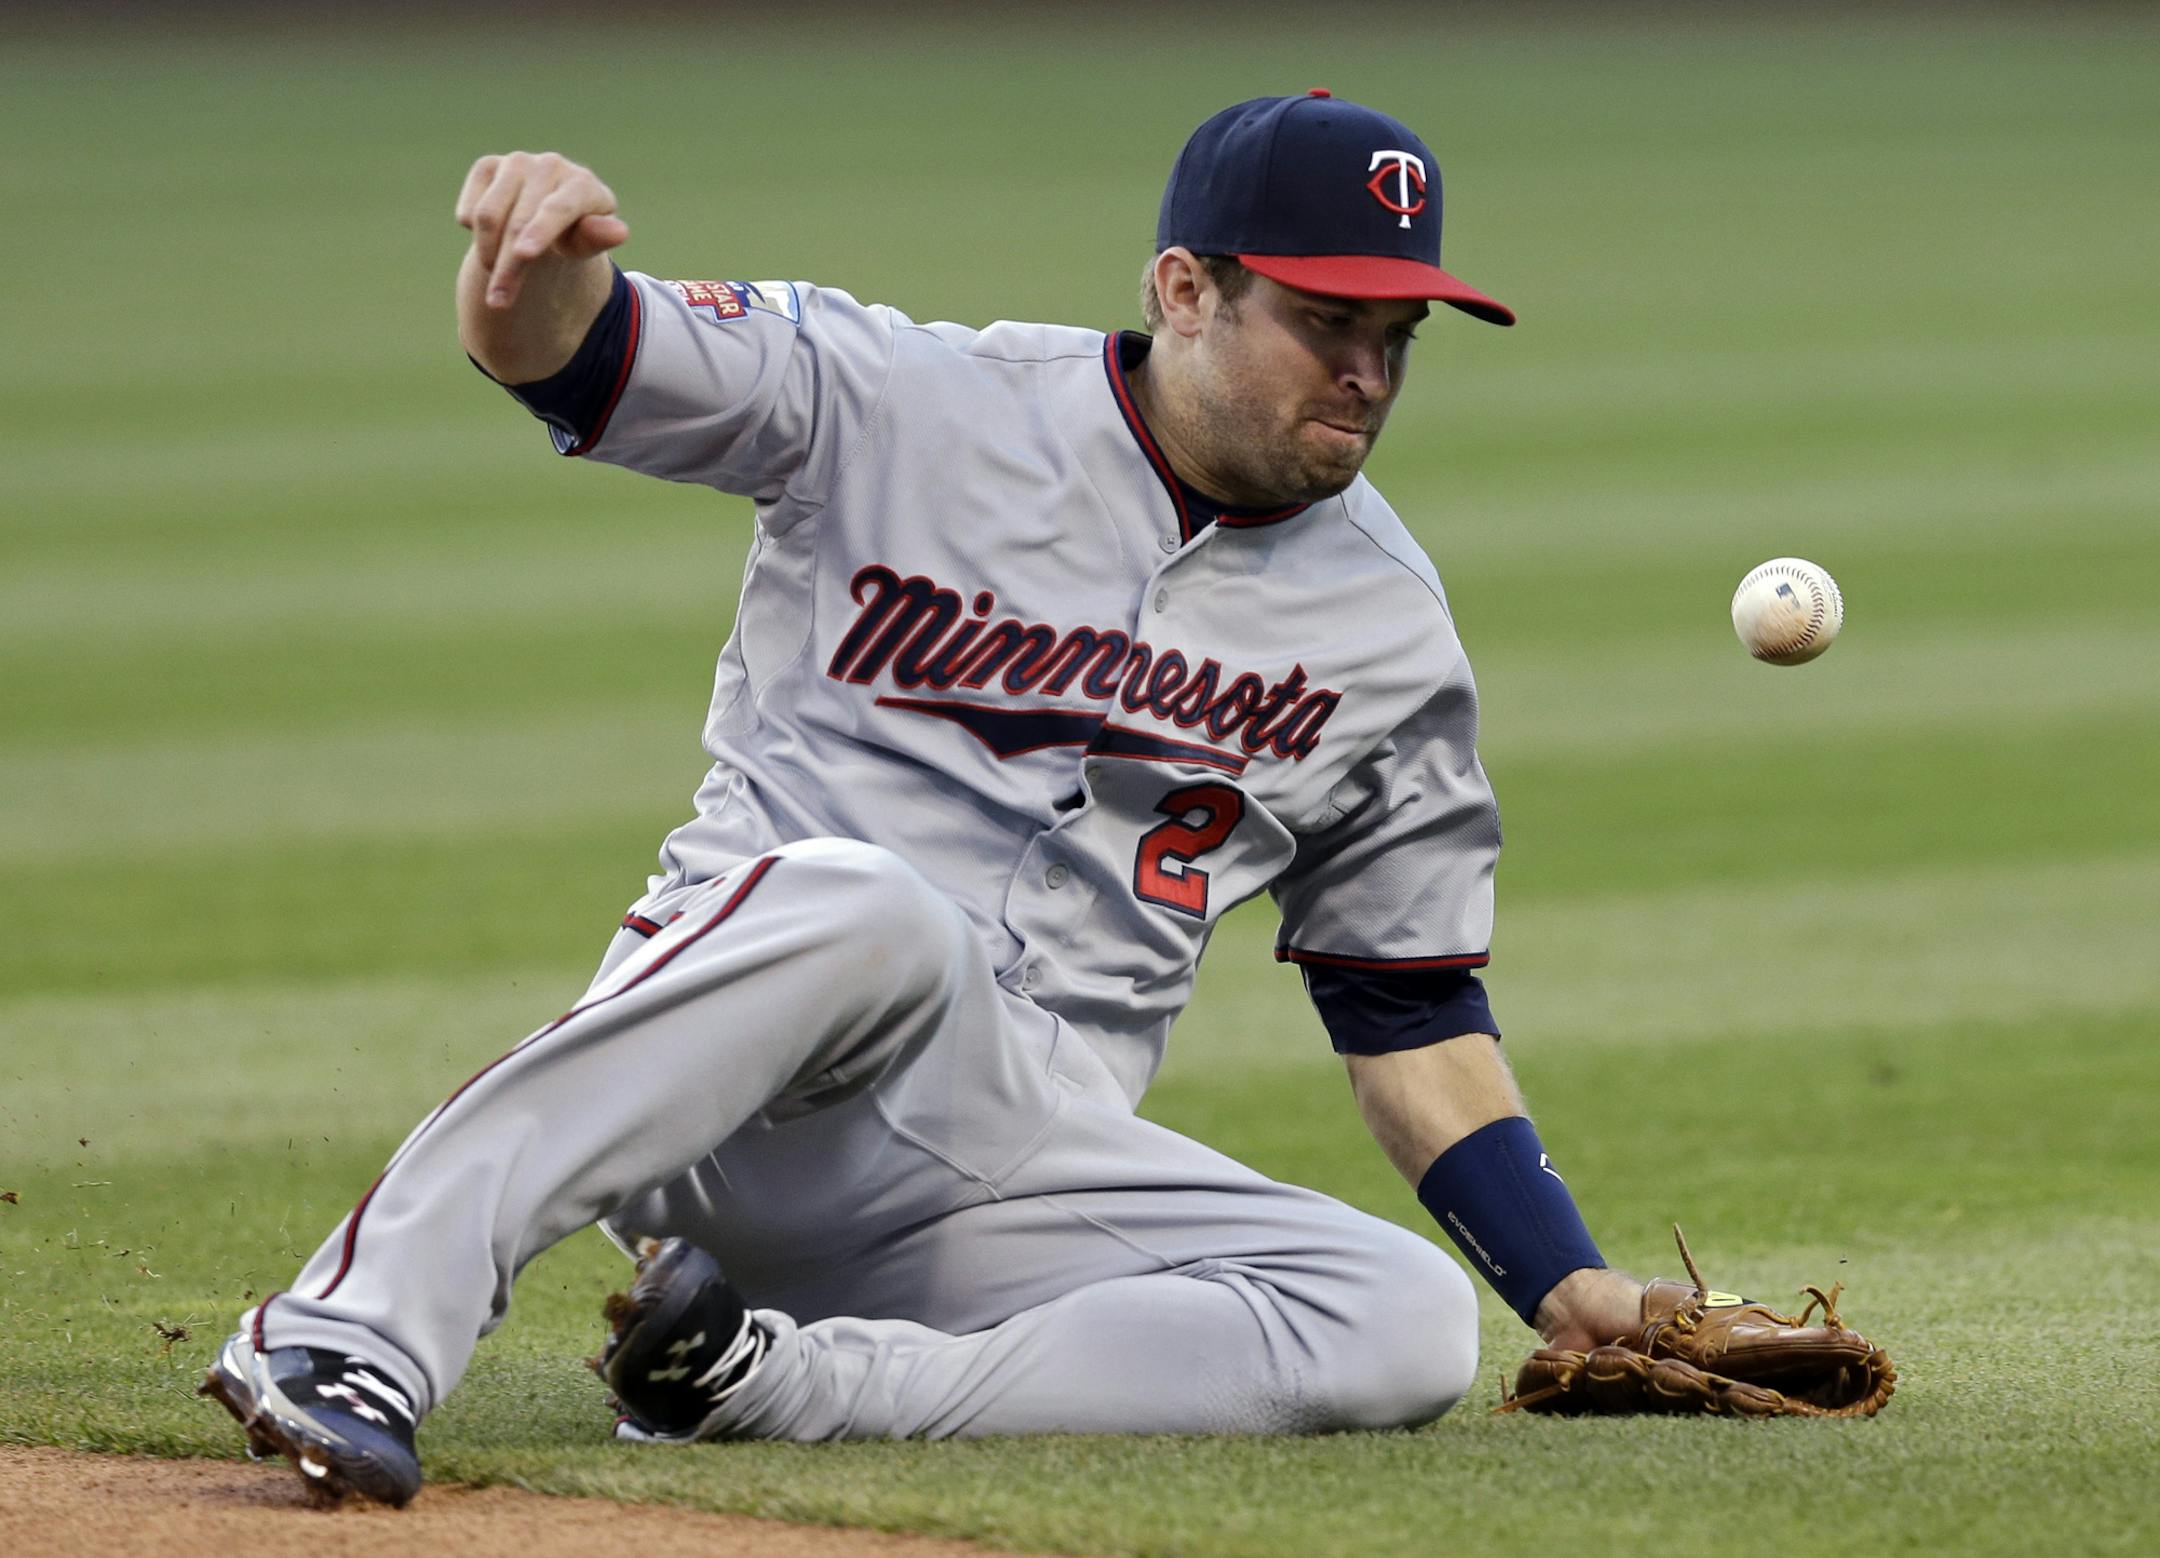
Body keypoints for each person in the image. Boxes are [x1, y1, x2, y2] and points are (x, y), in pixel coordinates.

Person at [203, 91, 1644, 1509]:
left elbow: (1409, 1007)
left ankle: (769, 1384)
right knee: (872, 901)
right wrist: (529, 261)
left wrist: (1568, 1283)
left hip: (1005, 1171)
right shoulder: (904, 395)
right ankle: (350, 1332)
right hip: (734, 1080)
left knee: (1400, 1318)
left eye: (1395, 338)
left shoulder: (1390, 634)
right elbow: (575, 353)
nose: (1367, 375)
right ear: (1185, 289)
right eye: (1326, 323)